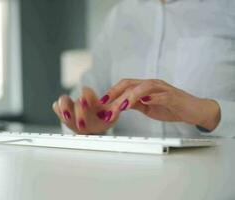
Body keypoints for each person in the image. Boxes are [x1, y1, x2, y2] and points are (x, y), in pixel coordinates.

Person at [52, 0, 235, 137]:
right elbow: (89, 91)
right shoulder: (119, 16)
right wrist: (82, 120)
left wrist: (210, 114)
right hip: (125, 177)